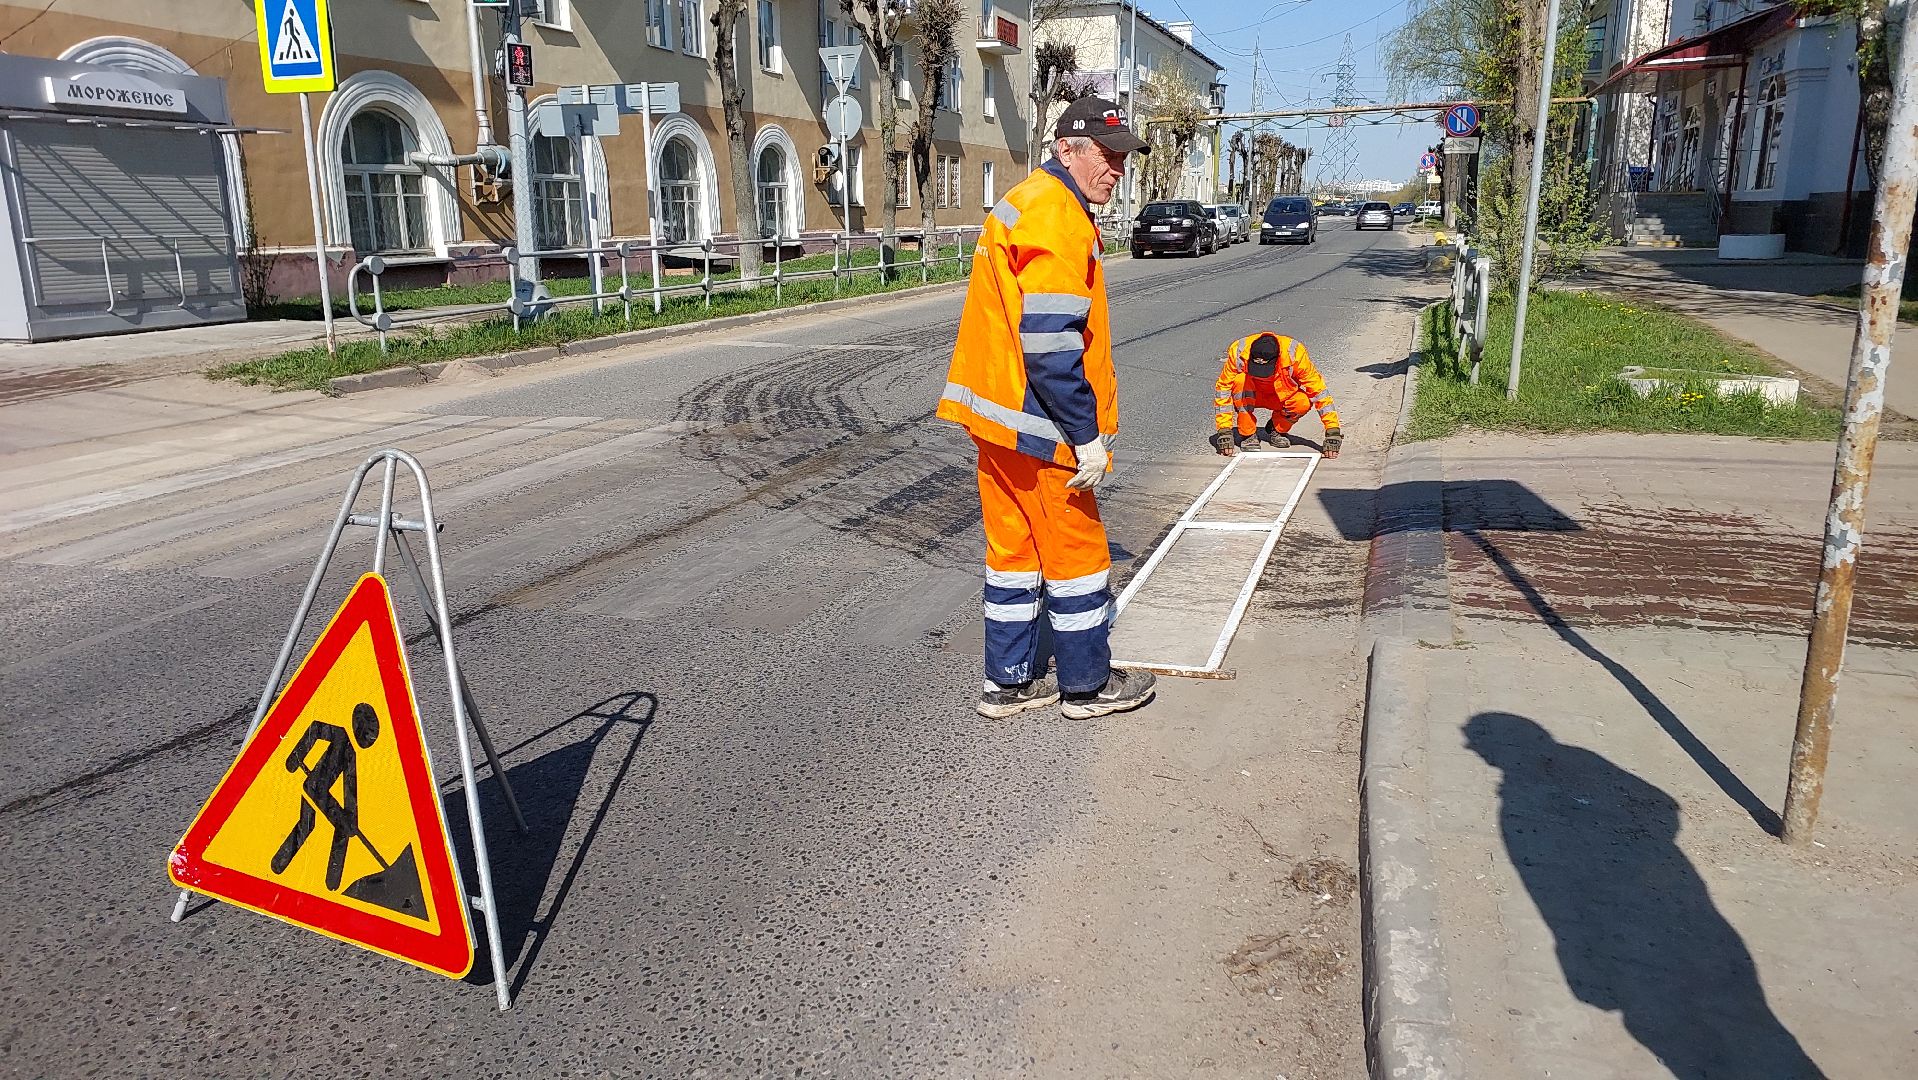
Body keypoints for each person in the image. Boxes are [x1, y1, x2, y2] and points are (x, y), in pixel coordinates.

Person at [937, 96, 1157, 721]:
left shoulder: (1027, 201)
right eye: (1105, 155)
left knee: (1013, 556)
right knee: (1078, 559)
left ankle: (1008, 684)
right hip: (1043, 429)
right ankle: (1087, 686)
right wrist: (1086, 435)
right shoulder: (1058, 214)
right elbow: (1054, 345)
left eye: (1121, 159)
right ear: (1066, 149)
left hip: (998, 421)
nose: (1114, 169)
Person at [1209, 331, 1343, 458]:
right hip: (1251, 395)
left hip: (1280, 395)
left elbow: (1319, 391)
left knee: (1303, 402)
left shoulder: (1294, 354)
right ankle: (1248, 434)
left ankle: (1277, 428)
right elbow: (1223, 390)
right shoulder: (1239, 351)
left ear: (1277, 359)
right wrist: (1224, 430)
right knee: (1239, 381)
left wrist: (1332, 431)